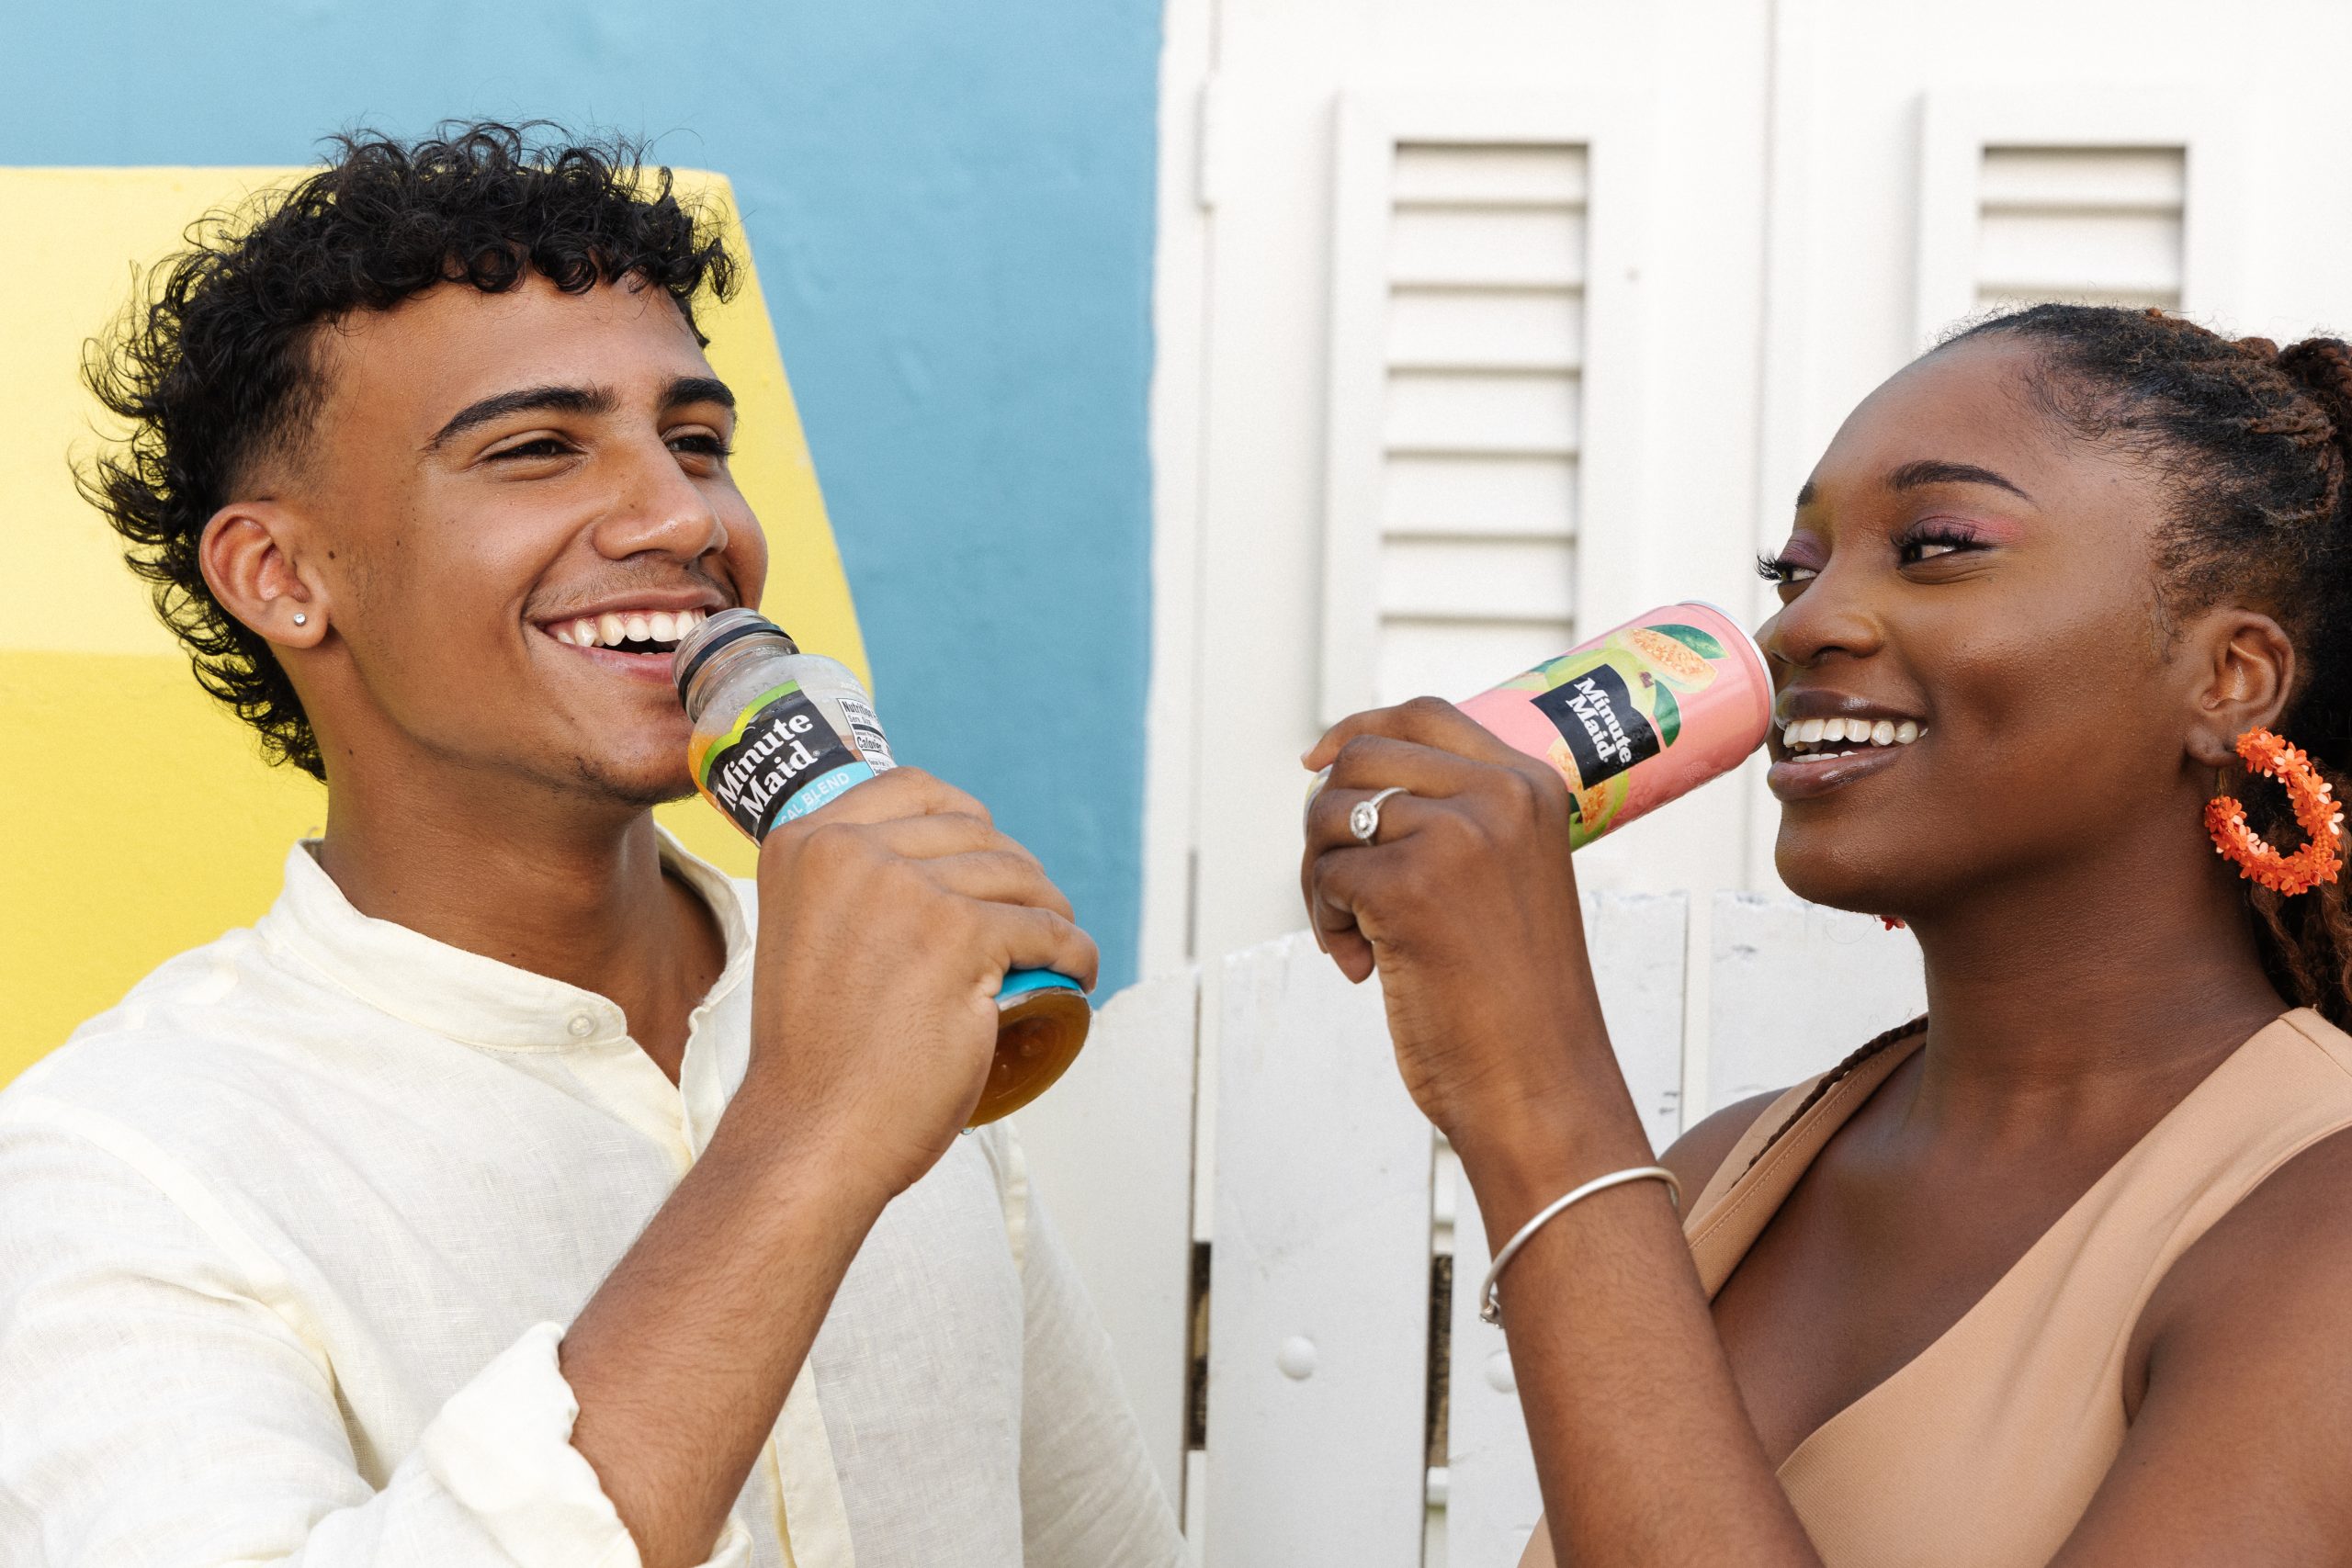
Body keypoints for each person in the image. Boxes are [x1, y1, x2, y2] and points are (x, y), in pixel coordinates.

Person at [0, 124, 1182, 1568]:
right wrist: (802, 1140)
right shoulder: (120, 1163)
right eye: (538, 449)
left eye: (697, 443)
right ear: (283, 575)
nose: (684, 517)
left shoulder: (885, 995)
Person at [1303, 305, 2352, 1566]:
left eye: (1937, 546)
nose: (1803, 627)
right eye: (1793, 571)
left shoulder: (2319, 1223)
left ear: (2229, 676)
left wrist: (1536, 1096)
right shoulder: (1721, 1177)